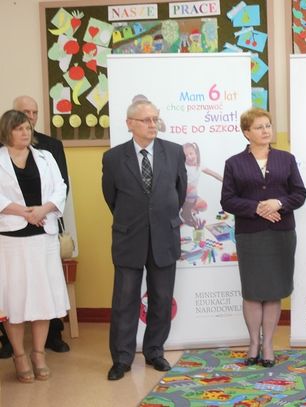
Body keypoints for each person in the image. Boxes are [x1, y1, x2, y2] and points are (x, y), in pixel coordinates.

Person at [102, 99, 187, 380]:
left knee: (161, 298)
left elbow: (179, 192)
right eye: (146, 120)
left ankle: (154, 351)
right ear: (130, 124)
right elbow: (111, 198)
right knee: (124, 299)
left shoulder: (173, 152)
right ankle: (122, 358)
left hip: (164, 235)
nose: (153, 124)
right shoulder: (113, 158)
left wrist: (160, 216)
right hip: (129, 236)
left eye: (155, 119)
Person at [221, 108, 306, 368]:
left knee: (273, 291)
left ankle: (268, 344)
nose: (266, 130)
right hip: (250, 234)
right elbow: (227, 200)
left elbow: (299, 194)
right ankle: (253, 343)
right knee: (252, 291)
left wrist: (278, 203)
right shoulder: (234, 163)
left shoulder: (286, 159)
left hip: (281, 233)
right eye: (259, 127)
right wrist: (257, 207)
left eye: (268, 125)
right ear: (247, 132)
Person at [0, 110, 70, 383]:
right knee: (14, 299)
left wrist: (42, 210)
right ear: (7, 132)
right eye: (19, 128)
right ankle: (19, 355)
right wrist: (24, 212)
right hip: (11, 239)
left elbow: (60, 188)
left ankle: (38, 354)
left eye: (28, 128)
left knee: (42, 298)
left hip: (44, 236)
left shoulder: (45, 157)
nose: (25, 133)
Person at [180, 142, 223, 227]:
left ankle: (188, 210)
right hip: (182, 195)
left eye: (191, 153)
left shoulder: (199, 165)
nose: (189, 157)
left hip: (191, 196)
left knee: (204, 206)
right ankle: (185, 213)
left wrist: (225, 181)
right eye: (186, 155)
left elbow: (213, 173)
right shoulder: (183, 167)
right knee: (192, 190)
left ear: (196, 153)